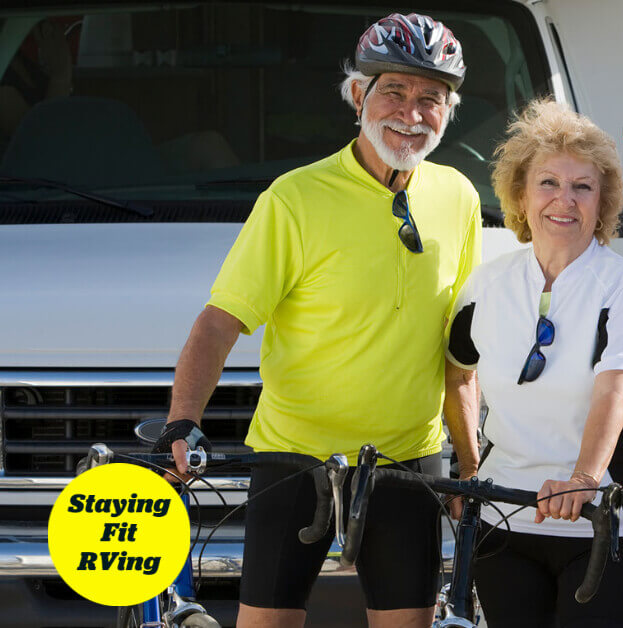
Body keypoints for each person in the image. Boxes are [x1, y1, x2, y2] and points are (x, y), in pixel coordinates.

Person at [156, 13, 480, 628]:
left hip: (407, 461)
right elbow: (218, 323)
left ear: (449, 110)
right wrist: (184, 422)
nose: (411, 113)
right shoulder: (294, 198)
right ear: (358, 95)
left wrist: (467, 465)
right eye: (394, 91)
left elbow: (457, 353)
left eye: (431, 99)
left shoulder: (459, 197)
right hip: (294, 458)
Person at [443, 98, 623, 627]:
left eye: (582, 186)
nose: (565, 200)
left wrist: (583, 477)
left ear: (602, 200)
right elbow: (457, 372)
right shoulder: (487, 282)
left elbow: (615, 390)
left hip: (600, 521)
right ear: (520, 194)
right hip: (505, 516)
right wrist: (471, 469)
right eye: (548, 183)